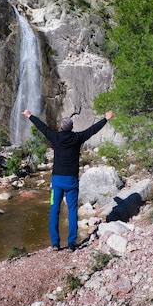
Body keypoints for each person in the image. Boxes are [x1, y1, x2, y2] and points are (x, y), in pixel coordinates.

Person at [22, 108, 113, 252]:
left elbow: (42, 127)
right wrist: (106, 119)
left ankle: (55, 243)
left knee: (54, 211)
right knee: (72, 211)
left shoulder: (55, 137)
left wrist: (29, 116)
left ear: (61, 127)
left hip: (57, 180)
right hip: (71, 181)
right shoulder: (77, 137)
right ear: (72, 128)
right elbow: (92, 130)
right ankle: (71, 243)